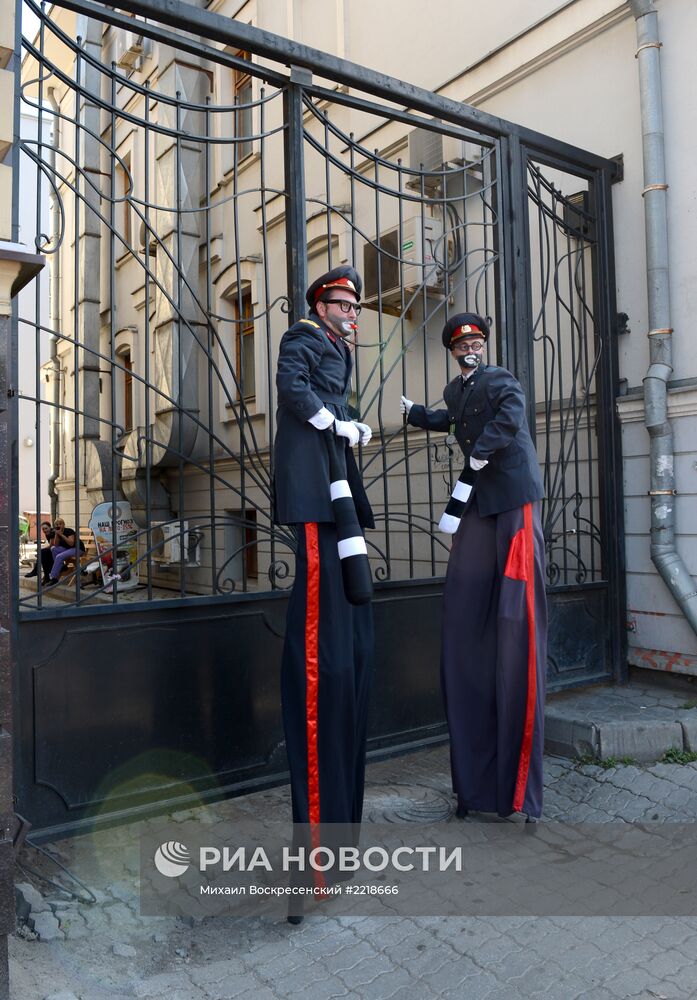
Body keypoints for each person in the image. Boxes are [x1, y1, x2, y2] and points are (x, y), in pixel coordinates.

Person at [400, 312, 547, 821]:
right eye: (462, 343)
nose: (470, 348)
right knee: (465, 619)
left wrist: (481, 454)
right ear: (453, 351)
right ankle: (477, 788)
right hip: (479, 505)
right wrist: (418, 413)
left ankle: (519, 791)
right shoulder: (456, 389)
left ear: (483, 347)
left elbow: (509, 417)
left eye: (477, 341)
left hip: (511, 499)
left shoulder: (500, 378)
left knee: (516, 621)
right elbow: (454, 419)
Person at [274, 265, 374, 901]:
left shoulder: (336, 346)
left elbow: (331, 402)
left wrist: (352, 423)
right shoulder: (302, 337)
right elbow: (293, 389)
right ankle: (313, 866)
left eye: (356, 305)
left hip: (335, 486)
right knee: (317, 653)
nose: (353, 312)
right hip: (314, 492)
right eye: (344, 302)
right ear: (321, 303)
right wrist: (334, 423)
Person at [45, 518, 84, 587]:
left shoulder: (69, 531)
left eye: (60, 524)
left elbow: (71, 543)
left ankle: (54, 578)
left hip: (78, 549)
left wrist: (62, 535)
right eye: (57, 524)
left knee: (59, 556)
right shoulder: (57, 532)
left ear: (64, 524)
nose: (59, 525)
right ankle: (62, 566)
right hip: (68, 549)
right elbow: (56, 545)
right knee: (53, 549)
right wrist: (57, 535)